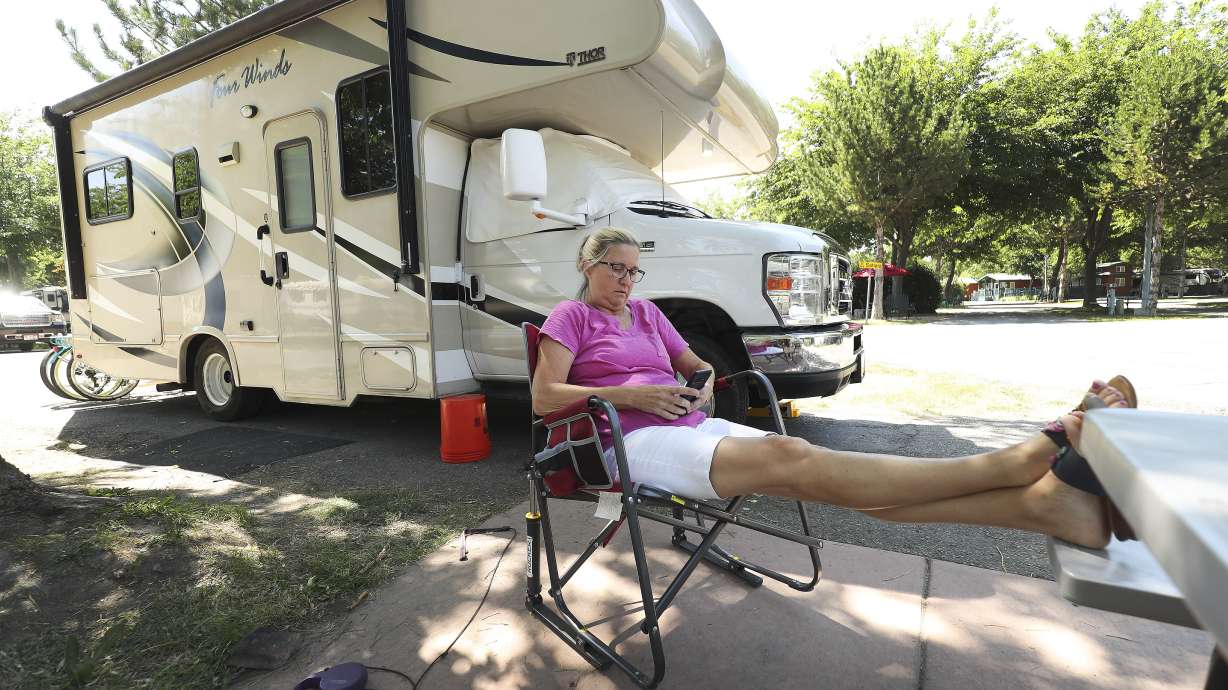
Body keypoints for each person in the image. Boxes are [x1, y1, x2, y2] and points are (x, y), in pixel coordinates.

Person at [532, 228, 1136, 550]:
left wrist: (705, 381)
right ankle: (1017, 464)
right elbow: (544, 398)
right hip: (625, 442)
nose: (627, 280)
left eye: (634, 270)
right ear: (588, 266)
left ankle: (1047, 507)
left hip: (686, 423)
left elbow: (695, 363)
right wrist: (632, 397)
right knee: (794, 455)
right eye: (616, 268)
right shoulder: (571, 316)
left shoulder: (646, 314)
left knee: (822, 475)